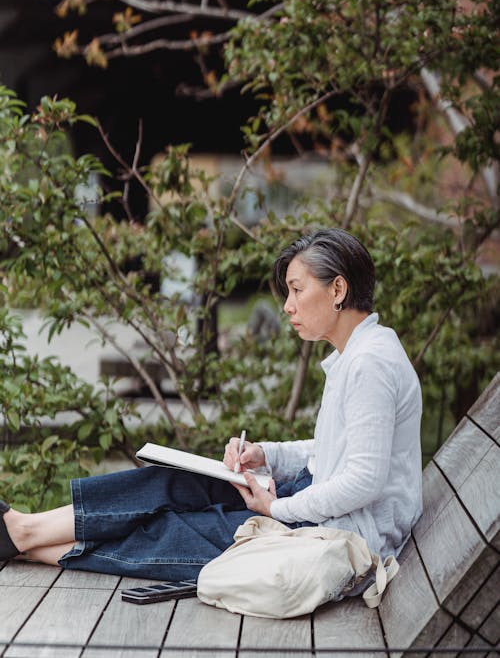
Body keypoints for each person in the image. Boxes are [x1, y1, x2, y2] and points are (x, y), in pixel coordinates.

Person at [0, 228, 422, 584]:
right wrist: (267, 454)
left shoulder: (370, 363)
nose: (288, 305)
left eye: (296, 290)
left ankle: (26, 544)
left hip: (341, 536)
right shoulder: (360, 353)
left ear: (338, 289)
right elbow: (335, 449)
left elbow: (364, 480)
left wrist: (276, 508)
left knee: (177, 531)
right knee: (174, 482)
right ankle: (23, 530)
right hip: (317, 504)